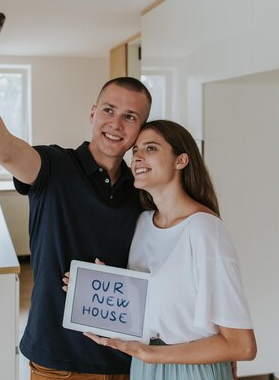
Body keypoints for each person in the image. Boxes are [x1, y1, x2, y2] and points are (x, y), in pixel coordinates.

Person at [0, 10, 152, 379]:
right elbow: (2, 149)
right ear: (93, 113)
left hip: (126, 360)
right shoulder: (54, 167)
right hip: (56, 362)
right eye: (109, 110)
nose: (116, 122)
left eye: (131, 117)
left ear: (140, 130)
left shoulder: (142, 191)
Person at [79, 120, 257, 380]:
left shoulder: (204, 230)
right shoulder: (142, 223)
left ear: (180, 161)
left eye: (150, 148)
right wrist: (103, 287)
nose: (137, 156)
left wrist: (155, 356)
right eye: (135, 150)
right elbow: (154, 309)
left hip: (190, 370)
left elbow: (243, 345)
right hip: (144, 367)